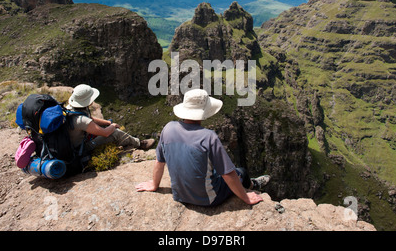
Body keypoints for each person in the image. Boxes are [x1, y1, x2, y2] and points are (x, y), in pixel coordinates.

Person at [136, 89, 270, 206]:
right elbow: (228, 174)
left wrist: (154, 185)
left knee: (213, 169)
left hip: (180, 195)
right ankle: (252, 186)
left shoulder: (168, 128)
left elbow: (159, 162)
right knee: (241, 172)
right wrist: (246, 198)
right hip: (208, 199)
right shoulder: (209, 137)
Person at [66, 84, 155, 152]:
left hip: (71, 144)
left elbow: (91, 119)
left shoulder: (70, 109)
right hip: (81, 149)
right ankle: (139, 144)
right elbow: (105, 133)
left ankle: (129, 142)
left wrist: (107, 123)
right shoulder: (82, 120)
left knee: (109, 128)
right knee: (116, 133)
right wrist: (112, 126)